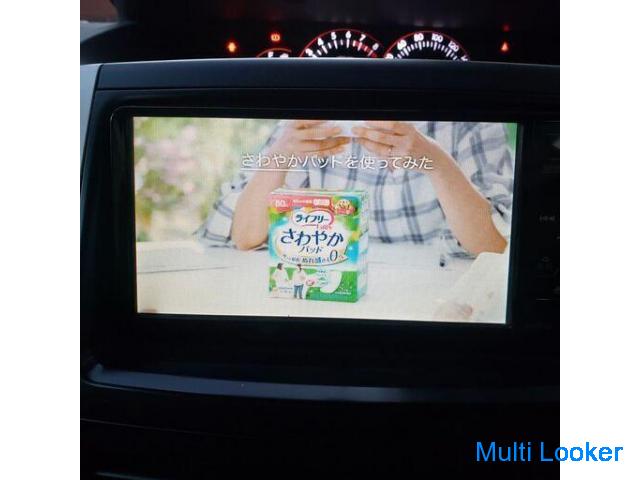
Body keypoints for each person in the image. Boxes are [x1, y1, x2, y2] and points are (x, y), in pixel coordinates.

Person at [196, 120, 513, 257]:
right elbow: (244, 236)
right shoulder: (313, 122)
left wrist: (435, 161)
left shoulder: (467, 122)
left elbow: (497, 245)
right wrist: (282, 153)